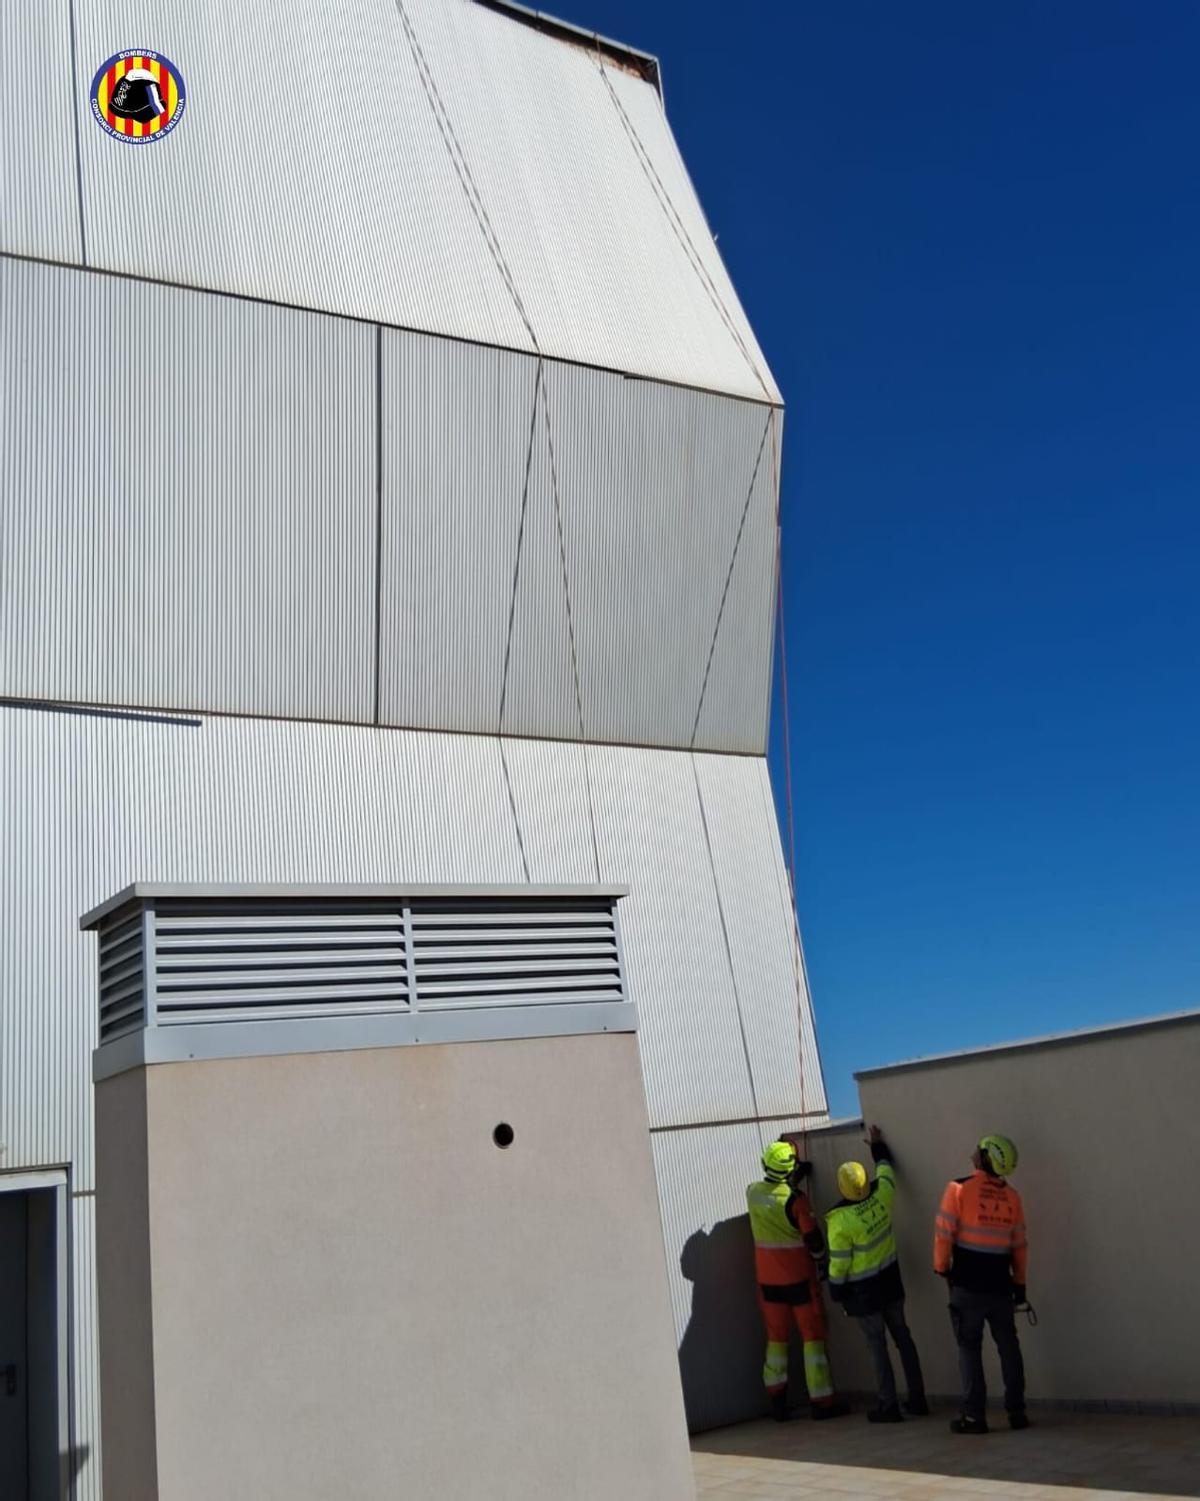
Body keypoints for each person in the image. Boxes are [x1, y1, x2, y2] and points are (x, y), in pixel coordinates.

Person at [825, 1125, 927, 1423]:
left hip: (863, 1293)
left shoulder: (840, 1221)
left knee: (877, 1347)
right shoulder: (882, 1196)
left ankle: (888, 1405)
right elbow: (886, 1173)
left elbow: (839, 1263)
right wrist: (878, 1147)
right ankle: (918, 1399)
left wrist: (835, 1290)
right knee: (903, 1339)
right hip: (891, 1282)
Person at [746, 1140, 850, 1422]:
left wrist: (791, 1177)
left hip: (768, 1283)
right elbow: (813, 1240)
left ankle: (777, 1401)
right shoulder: (797, 1200)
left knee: (777, 1340)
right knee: (812, 1338)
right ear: (790, 1168)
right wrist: (822, 1260)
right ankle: (821, 1401)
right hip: (800, 1282)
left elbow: (774, 1194)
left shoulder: (752, 1193)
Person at [934, 1133, 1030, 1434]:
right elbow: (1019, 1245)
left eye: (980, 1149)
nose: (974, 1151)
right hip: (1001, 1286)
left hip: (967, 1287)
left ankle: (974, 1417)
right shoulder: (1012, 1197)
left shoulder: (958, 1189)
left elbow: (943, 1234)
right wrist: (1020, 1284)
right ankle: (1017, 1412)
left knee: (969, 1350)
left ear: (987, 1158)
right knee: (1009, 1348)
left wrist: (941, 1269)